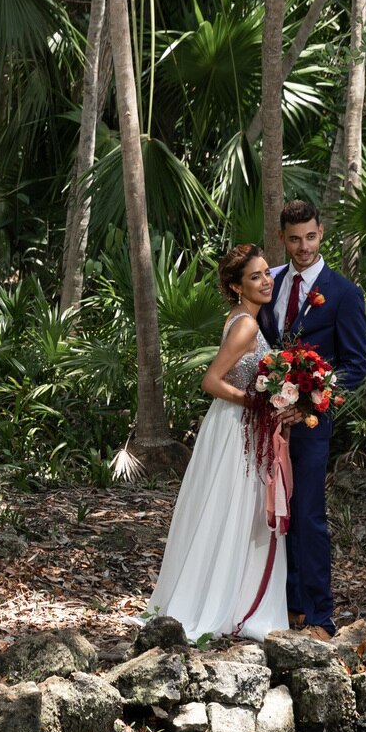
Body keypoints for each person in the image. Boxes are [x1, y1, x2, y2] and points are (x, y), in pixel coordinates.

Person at [148, 244, 295, 642]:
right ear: (236, 286)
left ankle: (230, 598)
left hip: (239, 424)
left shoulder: (244, 319)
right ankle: (220, 604)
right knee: (232, 511)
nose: (266, 281)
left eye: (267, 273)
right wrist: (257, 403)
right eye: (255, 276)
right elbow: (211, 381)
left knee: (235, 512)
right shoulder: (246, 324)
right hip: (237, 426)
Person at [256, 200, 366, 641]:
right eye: (294, 239)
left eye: (311, 237)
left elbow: (355, 365)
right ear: (283, 239)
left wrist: (311, 402)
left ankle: (321, 615)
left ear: (321, 234)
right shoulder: (273, 282)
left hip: (309, 423)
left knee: (306, 514)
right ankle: (288, 606)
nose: (303, 247)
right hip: (266, 420)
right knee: (272, 513)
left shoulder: (343, 293)